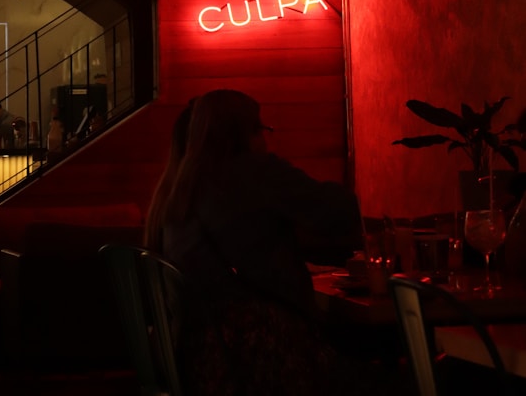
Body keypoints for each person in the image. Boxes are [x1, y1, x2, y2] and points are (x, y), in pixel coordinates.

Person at [144, 89, 396, 396]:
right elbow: (341, 210)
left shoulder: (181, 189)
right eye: (261, 129)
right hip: (259, 356)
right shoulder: (253, 172)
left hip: (197, 359)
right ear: (245, 133)